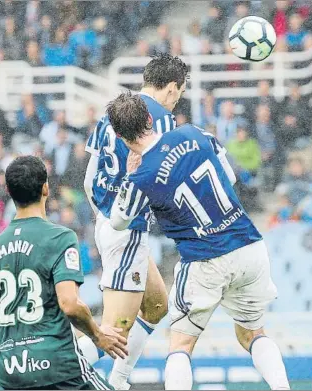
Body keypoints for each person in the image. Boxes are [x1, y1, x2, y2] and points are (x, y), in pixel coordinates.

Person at [105, 92, 290, 390]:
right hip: (248, 246)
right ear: (150, 119)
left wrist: (129, 176)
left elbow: (118, 221)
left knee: (180, 343)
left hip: (205, 259)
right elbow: (229, 177)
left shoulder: (142, 177)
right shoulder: (193, 133)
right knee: (253, 334)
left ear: (119, 135)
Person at [81, 54, 188, 389]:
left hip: (109, 221)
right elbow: (163, 182)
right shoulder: (162, 121)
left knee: (157, 306)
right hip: (127, 232)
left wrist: (106, 219)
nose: (177, 100)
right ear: (172, 88)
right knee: (112, 333)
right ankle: (61, 366)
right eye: (179, 93)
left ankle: (120, 379)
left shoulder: (112, 112)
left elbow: (88, 180)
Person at [0, 156, 127, 390]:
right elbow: (69, 304)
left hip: (9, 372)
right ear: (46, 187)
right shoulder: (59, 237)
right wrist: (98, 335)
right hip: (57, 366)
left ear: (8, 190)